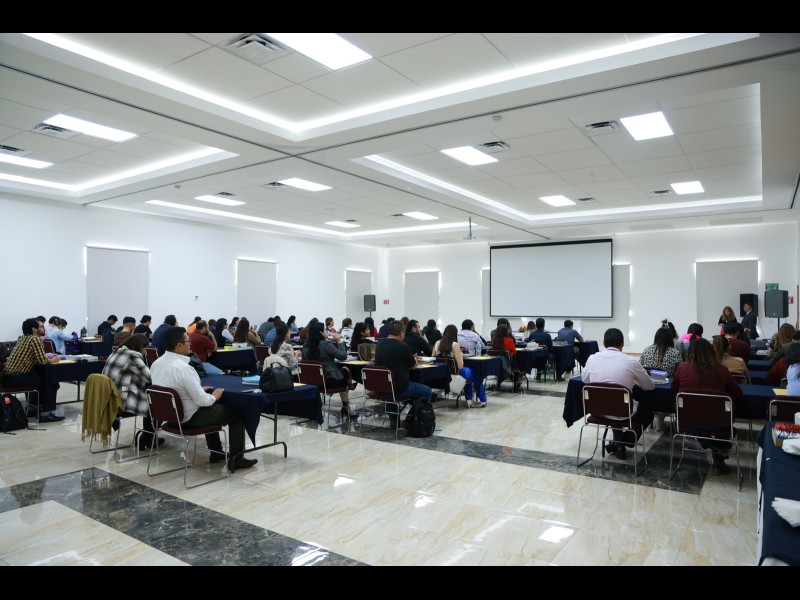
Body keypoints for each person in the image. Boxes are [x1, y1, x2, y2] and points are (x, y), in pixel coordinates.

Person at [150, 326, 256, 471]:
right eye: (188, 342)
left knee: (209, 407)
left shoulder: (156, 364)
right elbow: (203, 401)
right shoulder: (184, 368)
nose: (190, 344)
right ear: (179, 345)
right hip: (188, 419)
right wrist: (214, 396)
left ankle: (216, 452)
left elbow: (173, 389)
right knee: (238, 413)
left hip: (169, 417)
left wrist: (200, 391)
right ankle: (237, 459)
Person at [672, 338, 743, 476]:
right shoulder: (722, 370)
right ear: (711, 353)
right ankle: (718, 455)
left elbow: (674, 390)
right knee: (712, 418)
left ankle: (710, 444)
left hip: (686, 420)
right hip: (719, 422)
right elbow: (738, 394)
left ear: (690, 352)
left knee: (699, 417)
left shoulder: (683, 368)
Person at [581, 327, 654, 460]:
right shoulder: (631, 361)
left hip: (596, 410)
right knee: (648, 413)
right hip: (623, 412)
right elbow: (649, 386)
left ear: (604, 343)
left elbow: (585, 380)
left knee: (613, 405)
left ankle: (618, 444)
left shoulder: (592, 358)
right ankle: (626, 440)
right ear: (622, 344)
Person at [102, 333, 164, 450]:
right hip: (122, 400)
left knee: (152, 401)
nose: (145, 352)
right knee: (158, 404)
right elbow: (150, 377)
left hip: (109, 398)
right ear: (140, 346)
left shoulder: (116, 352)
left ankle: (149, 437)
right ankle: (148, 437)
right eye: (145, 348)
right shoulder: (133, 356)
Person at [1, 318, 63, 422]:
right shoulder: (35, 339)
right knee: (51, 381)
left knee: (39, 377)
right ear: (34, 329)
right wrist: (54, 359)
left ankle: (32, 409)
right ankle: (45, 414)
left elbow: (32, 357)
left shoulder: (22, 338)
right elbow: (43, 361)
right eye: (41, 326)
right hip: (14, 378)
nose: (44, 328)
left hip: (7, 377)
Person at [375, 320, 434, 427]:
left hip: (381, 387)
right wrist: (414, 359)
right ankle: (409, 420)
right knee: (427, 391)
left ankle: (394, 421)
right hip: (400, 388)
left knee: (390, 388)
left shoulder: (379, 345)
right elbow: (413, 366)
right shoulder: (403, 346)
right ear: (401, 332)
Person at [301, 322, 355, 418]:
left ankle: (347, 388)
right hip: (328, 382)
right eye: (325, 330)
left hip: (312, 382)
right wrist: (339, 342)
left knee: (342, 374)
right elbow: (343, 356)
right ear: (320, 332)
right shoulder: (326, 344)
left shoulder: (305, 346)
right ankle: (346, 403)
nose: (327, 331)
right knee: (346, 370)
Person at [434, 324, 487, 408]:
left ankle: (469, 400)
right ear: (455, 334)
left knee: (469, 376)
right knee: (476, 374)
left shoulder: (437, 343)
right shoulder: (454, 345)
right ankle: (482, 400)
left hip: (443, 374)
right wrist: (460, 355)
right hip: (456, 375)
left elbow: (433, 359)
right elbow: (460, 366)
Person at [490, 323, 522, 392]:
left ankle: (499, 382)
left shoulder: (494, 340)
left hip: (496, 363)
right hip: (508, 364)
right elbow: (514, 352)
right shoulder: (509, 340)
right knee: (516, 361)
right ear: (506, 331)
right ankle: (516, 381)